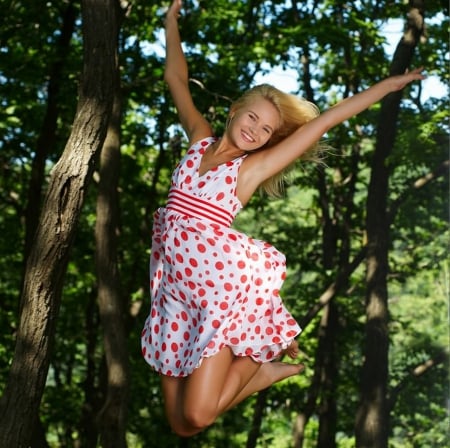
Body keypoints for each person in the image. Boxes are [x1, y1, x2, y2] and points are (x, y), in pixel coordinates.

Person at [141, 0, 425, 437]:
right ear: (235, 110)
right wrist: (170, 21)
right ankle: (264, 371)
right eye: (253, 116)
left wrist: (388, 85)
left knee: (198, 416)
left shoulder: (249, 171)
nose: (255, 129)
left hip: (220, 297)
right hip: (175, 293)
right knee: (180, 425)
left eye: (267, 129)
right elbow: (175, 78)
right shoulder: (199, 139)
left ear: (269, 141)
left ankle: (265, 370)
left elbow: (326, 121)